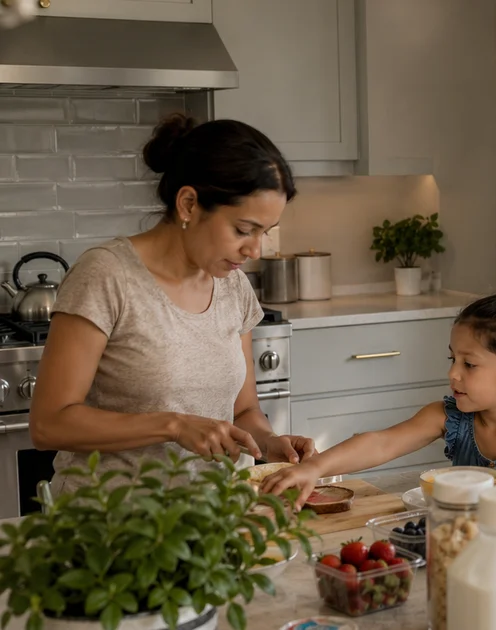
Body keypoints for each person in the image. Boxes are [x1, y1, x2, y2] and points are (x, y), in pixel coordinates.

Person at [30, 114, 317, 496]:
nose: (254, 250)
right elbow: (49, 424)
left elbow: (243, 410)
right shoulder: (107, 275)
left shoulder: (232, 284)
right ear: (188, 204)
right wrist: (173, 426)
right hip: (109, 518)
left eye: (265, 232)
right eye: (244, 230)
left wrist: (268, 443)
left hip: (212, 513)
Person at [262, 274, 496, 516]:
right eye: (453, 359)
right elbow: (381, 443)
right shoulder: (450, 417)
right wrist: (314, 468)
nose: (453, 373)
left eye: (469, 364)